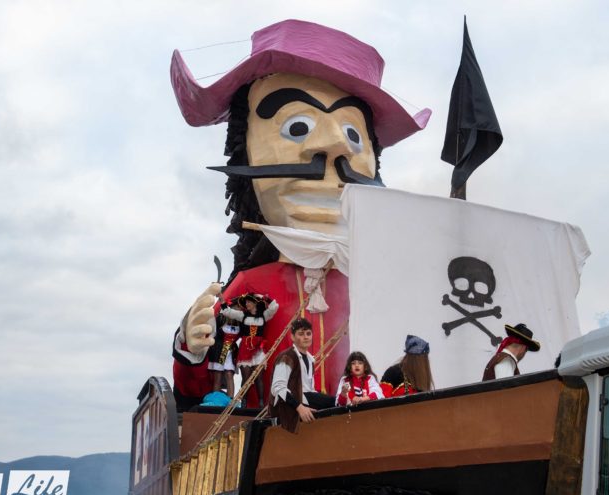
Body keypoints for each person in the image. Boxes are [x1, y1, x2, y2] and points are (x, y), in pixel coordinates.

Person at [170, 19, 431, 407]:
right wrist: (191, 347)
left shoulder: (375, 287)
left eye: (353, 134)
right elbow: (203, 390)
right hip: (275, 429)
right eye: (297, 126)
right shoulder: (250, 287)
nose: (334, 145)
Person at [269, 318, 335, 432]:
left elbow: (310, 390)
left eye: (308, 334)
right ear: (292, 337)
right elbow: (278, 388)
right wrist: (299, 407)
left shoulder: (310, 359)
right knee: (333, 402)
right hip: (285, 406)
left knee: (337, 402)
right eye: (301, 334)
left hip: (304, 398)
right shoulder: (287, 357)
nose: (306, 337)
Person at [220, 293, 279, 406]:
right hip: (245, 349)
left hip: (258, 350)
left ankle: (261, 403)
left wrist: (265, 298)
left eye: (248, 302)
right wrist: (222, 301)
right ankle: (244, 402)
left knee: (259, 377)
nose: (246, 304)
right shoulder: (243, 315)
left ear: (255, 303)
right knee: (246, 378)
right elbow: (228, 312)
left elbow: (274, 307)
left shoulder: (264, 316)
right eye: (246, 302)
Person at [207, 316, 240, 397]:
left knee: (229, 374)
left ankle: (231, 400)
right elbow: (213, 333)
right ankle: (216, 399)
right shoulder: (220, 319)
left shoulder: (239, 320)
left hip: (231, 351)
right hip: (221, 350)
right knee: (218, 375)